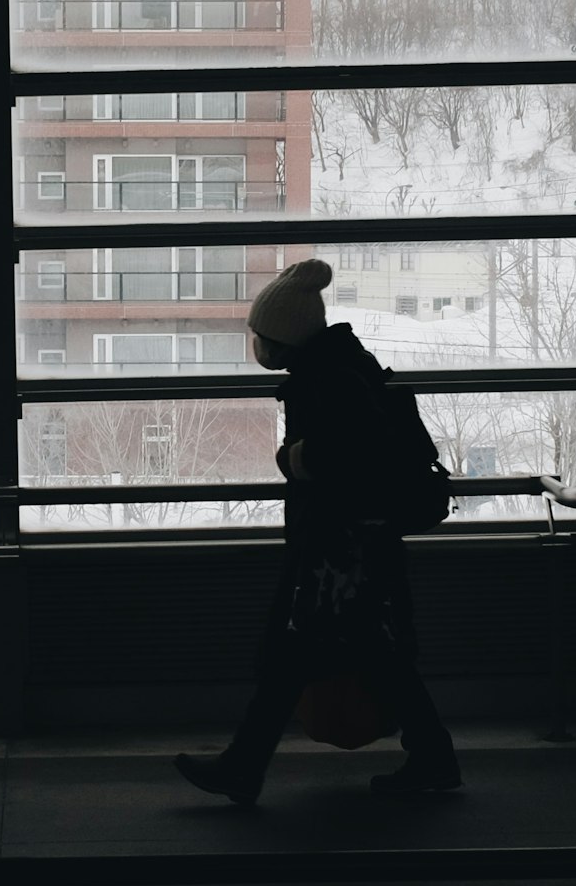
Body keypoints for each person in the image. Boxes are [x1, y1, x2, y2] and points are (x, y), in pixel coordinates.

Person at [175, 259, 462, 805]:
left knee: (302, 656)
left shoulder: (325, 377)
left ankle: (244, 767)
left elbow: (350, 451)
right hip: (356, 545)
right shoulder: (340, 363)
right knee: (368, 656)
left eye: (261, 336)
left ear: (282, 338)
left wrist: (296, 459)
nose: (256, 344)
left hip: (341, 552)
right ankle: (432, 756)